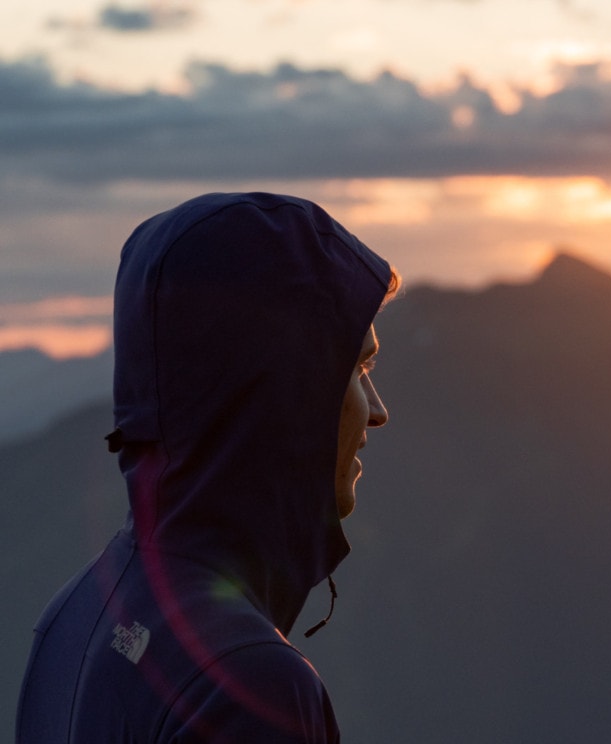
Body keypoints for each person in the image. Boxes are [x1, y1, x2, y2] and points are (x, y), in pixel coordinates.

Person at [16, 192, 397, 743]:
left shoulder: (75, 613)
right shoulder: (251, 684)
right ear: (288, 390)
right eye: (358, 369)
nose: (379, 411)